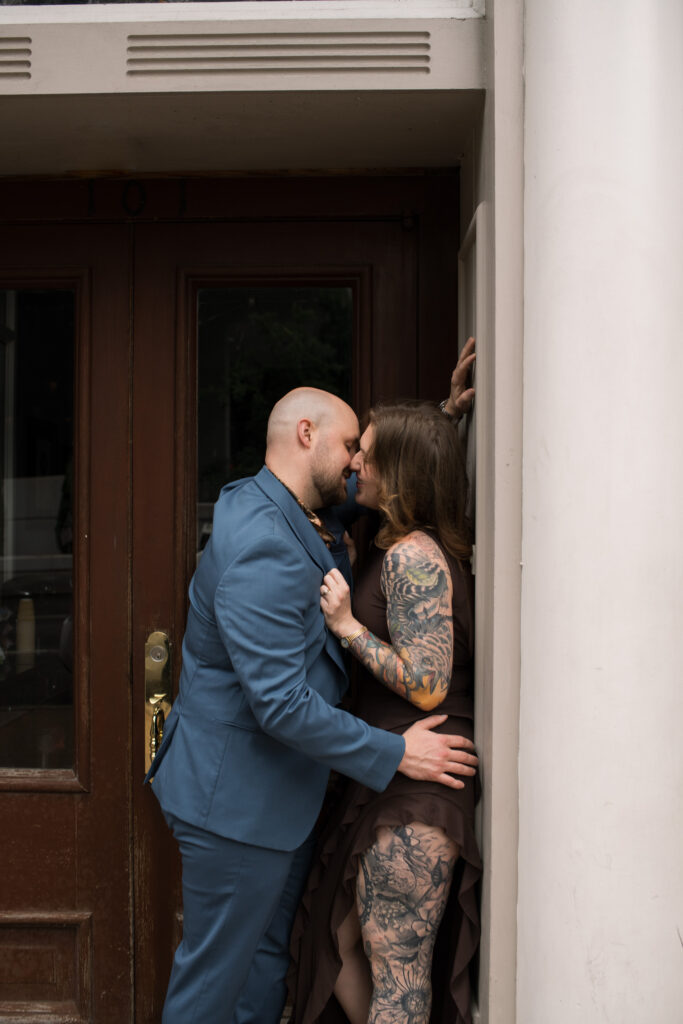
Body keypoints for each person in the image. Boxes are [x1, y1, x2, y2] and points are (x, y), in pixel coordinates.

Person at [145, 386, 478, 1024]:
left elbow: (391, 479)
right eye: (351, 446)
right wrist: (398, 753)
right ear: (306, 434)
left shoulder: (286, 505)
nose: (357, 463)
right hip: (235, 805)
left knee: (266, 963)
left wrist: (445, 418)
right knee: (215, 981)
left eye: (365, 453)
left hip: (278, 800)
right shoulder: (261, 546)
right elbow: (280, 704)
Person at [289, 400, 481, 1024]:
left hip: (420, 784)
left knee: (398, 975)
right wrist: (446, 411)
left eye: (368, 451)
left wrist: (346, 627)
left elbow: (426, 684)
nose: (355, 459)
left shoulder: (413, 557)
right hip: (395, 773)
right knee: (345, 943)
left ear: (401, 470)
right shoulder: (397, 543)